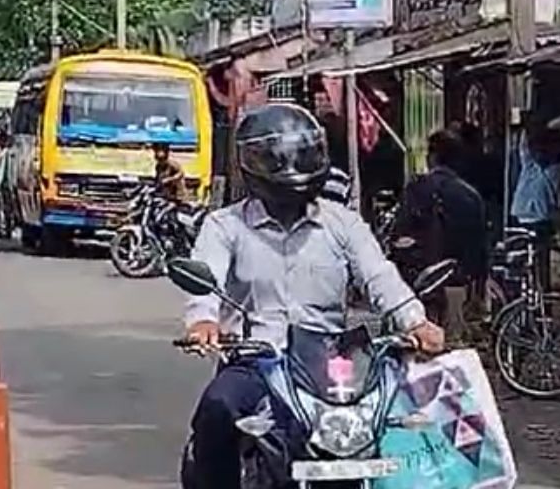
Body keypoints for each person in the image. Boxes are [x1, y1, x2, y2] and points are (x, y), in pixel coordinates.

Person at [180, 103, 444, 489]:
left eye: (303, 155)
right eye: (279, 158)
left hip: (332, 365)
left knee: (402, 423)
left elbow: (379, 277)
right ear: (253, 162)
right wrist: (203, 321)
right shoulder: (226, 226)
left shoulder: (343, 223)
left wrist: (414, 321)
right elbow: (207, 281)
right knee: (217, 409)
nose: (292, 168)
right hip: (257, 361)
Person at [390, 129, 488, 340]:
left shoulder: (416, 189)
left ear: (432, 157)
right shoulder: (470, 196)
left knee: (416, 353)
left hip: (419, 285)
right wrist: (477, 291)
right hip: (457, 284)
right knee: (451, 354)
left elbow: (399, 236)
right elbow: (479, 249)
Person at [511, 121, 560, 287]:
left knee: (532, 264)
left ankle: (535, 297)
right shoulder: (546, 170)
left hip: (527, 221)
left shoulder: (539, 168)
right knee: (537, 265)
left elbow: (523, 148)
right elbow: (558, 203)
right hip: (536, 223)